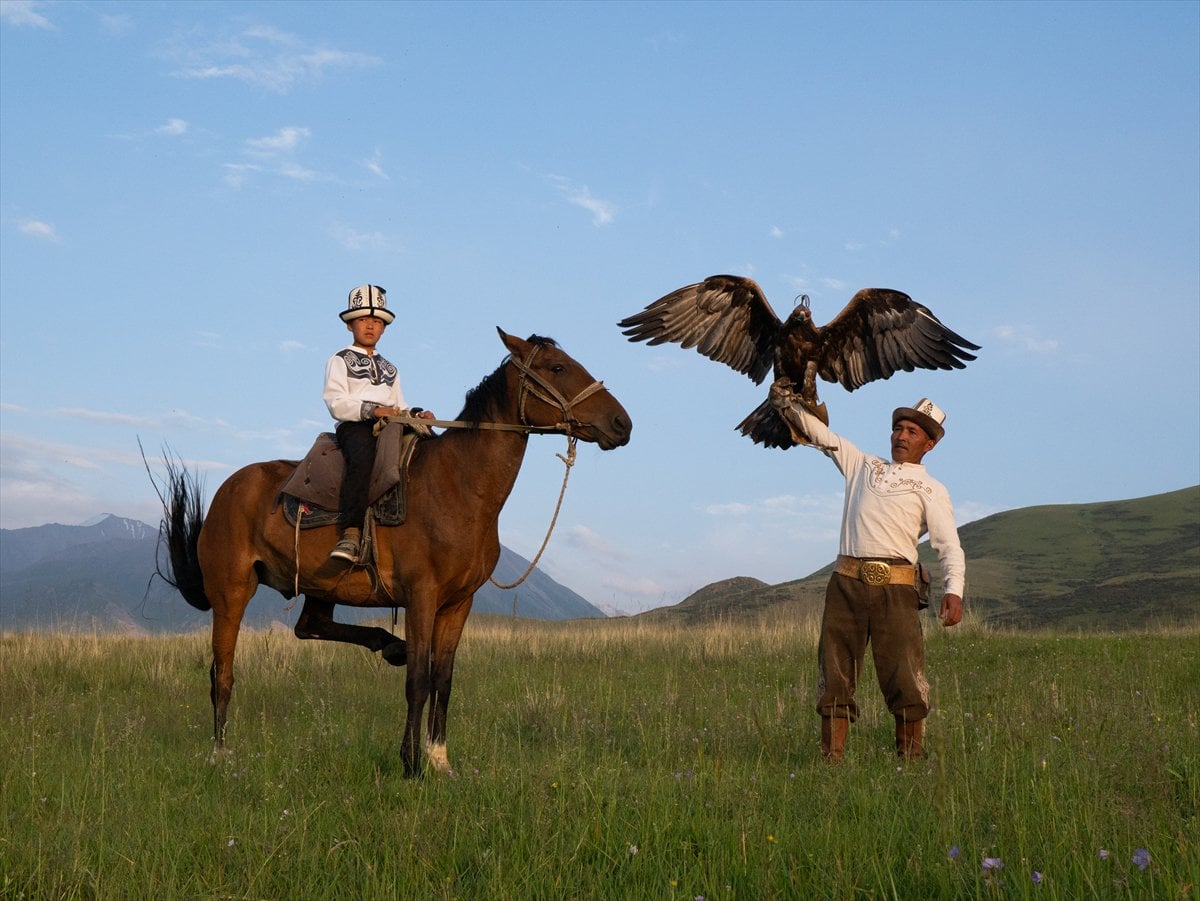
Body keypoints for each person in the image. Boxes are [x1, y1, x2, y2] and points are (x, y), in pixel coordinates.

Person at [770, 379, 965, 762]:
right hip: (845, 584)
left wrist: (954, 590)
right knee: (835, 670)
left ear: (929, 444)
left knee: (904, 675)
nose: (901, 436)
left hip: (896, 591)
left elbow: (949, 545)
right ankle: (832, 760)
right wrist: (787, 406)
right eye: (898, 428)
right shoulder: (864, 465)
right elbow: (822, 435)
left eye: (912, 431)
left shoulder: (932, 489)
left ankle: (909, 761)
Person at [323, 284, 435, 563]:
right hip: (356, 425)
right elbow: (335, 401)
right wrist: (372, 410)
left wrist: (418, 415)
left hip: (392, 424)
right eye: (363, 320)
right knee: (362, 460)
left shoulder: (391, 368)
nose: (370, 326)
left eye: (376, 321)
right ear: (350, 325)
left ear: (384, 328)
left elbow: (400, 403)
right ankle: (350, 532)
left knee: (429, 450)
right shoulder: (339, 359)